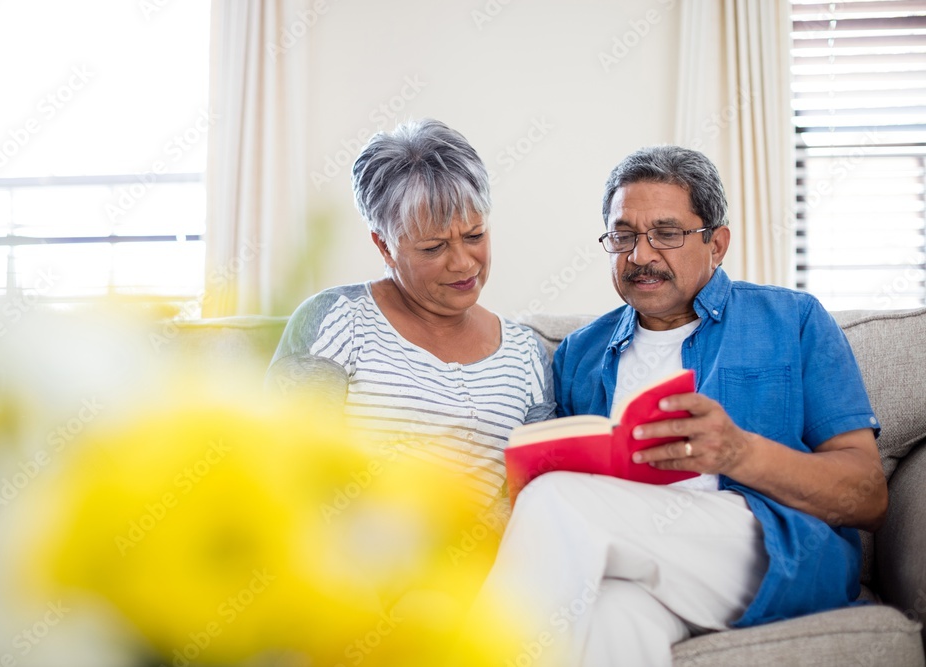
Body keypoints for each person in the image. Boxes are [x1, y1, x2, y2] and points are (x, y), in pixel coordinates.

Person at [471, 145, 887, 665]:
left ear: (717, 243)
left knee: (558, 500)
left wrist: (738, 453)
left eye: (667, 234)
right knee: (612, 617)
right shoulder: (582, 353)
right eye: (623, 235)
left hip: (776, 555)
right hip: (642, 561)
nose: (641, 255)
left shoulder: (792, 319)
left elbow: (869, 498)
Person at [266, 118, 555, 512]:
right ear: (384, 246)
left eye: (475, 236)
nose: (462, 263)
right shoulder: (336, 323)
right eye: (433, 247)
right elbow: (289, 475)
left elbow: (536, 500)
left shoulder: (526, 353)